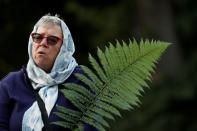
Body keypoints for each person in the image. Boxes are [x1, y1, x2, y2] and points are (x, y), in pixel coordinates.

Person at [0, 14, 98, 131]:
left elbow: (91, 126)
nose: (43, 43)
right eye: (38, 37)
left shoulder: (82, 80)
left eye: (52, 40)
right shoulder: (11, 83)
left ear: (64, 48)